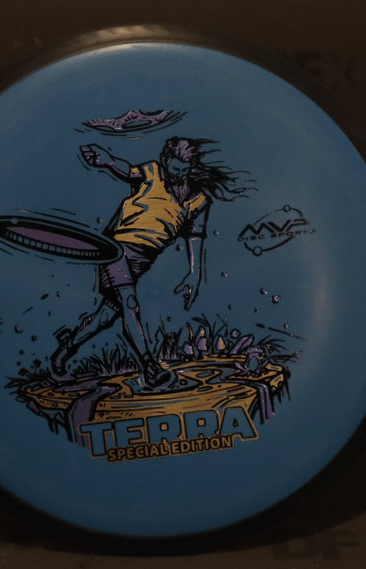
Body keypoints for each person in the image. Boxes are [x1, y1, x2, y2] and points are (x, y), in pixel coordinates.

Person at [51, 137, 248, 387]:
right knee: (130, 304)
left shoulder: (198, 201)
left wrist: (194, 273)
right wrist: (108, 161)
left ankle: (64, 350)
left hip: (142, 260)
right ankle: (150, 367)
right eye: (174, 168)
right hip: (116, 249)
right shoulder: (152, 172)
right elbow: (126, 170)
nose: (178, 174)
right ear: (166, 161)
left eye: (183, 169)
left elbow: (195, 237)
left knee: (105, 317)